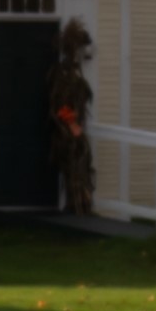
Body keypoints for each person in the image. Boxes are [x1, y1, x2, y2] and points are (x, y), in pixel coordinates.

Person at [48, 19, 96, 218]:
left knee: (81, 163)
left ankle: (81, 205)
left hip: (72, 127)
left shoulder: (76, 77)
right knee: (72, 164)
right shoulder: (60, 75)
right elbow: (58, 105)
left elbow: (81, 99)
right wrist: (67, 125)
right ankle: (74, 205)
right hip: (66, 129)